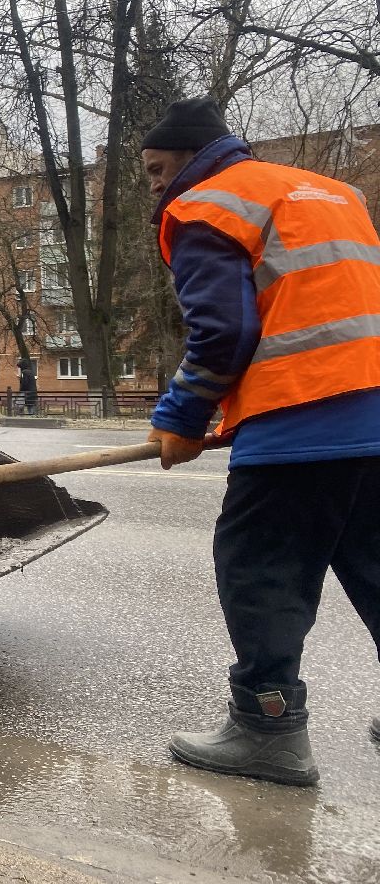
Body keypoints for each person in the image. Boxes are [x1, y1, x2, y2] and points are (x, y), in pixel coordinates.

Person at [143, 94, 380, 786]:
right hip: (374, 416)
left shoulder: (207, 207)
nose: (156, 186)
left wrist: (182, 418)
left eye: (158, 170)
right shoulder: (333, 194)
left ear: (192, 158)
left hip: (300, 422)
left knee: (261, 573)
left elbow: (223, 333)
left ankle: (266, 730)